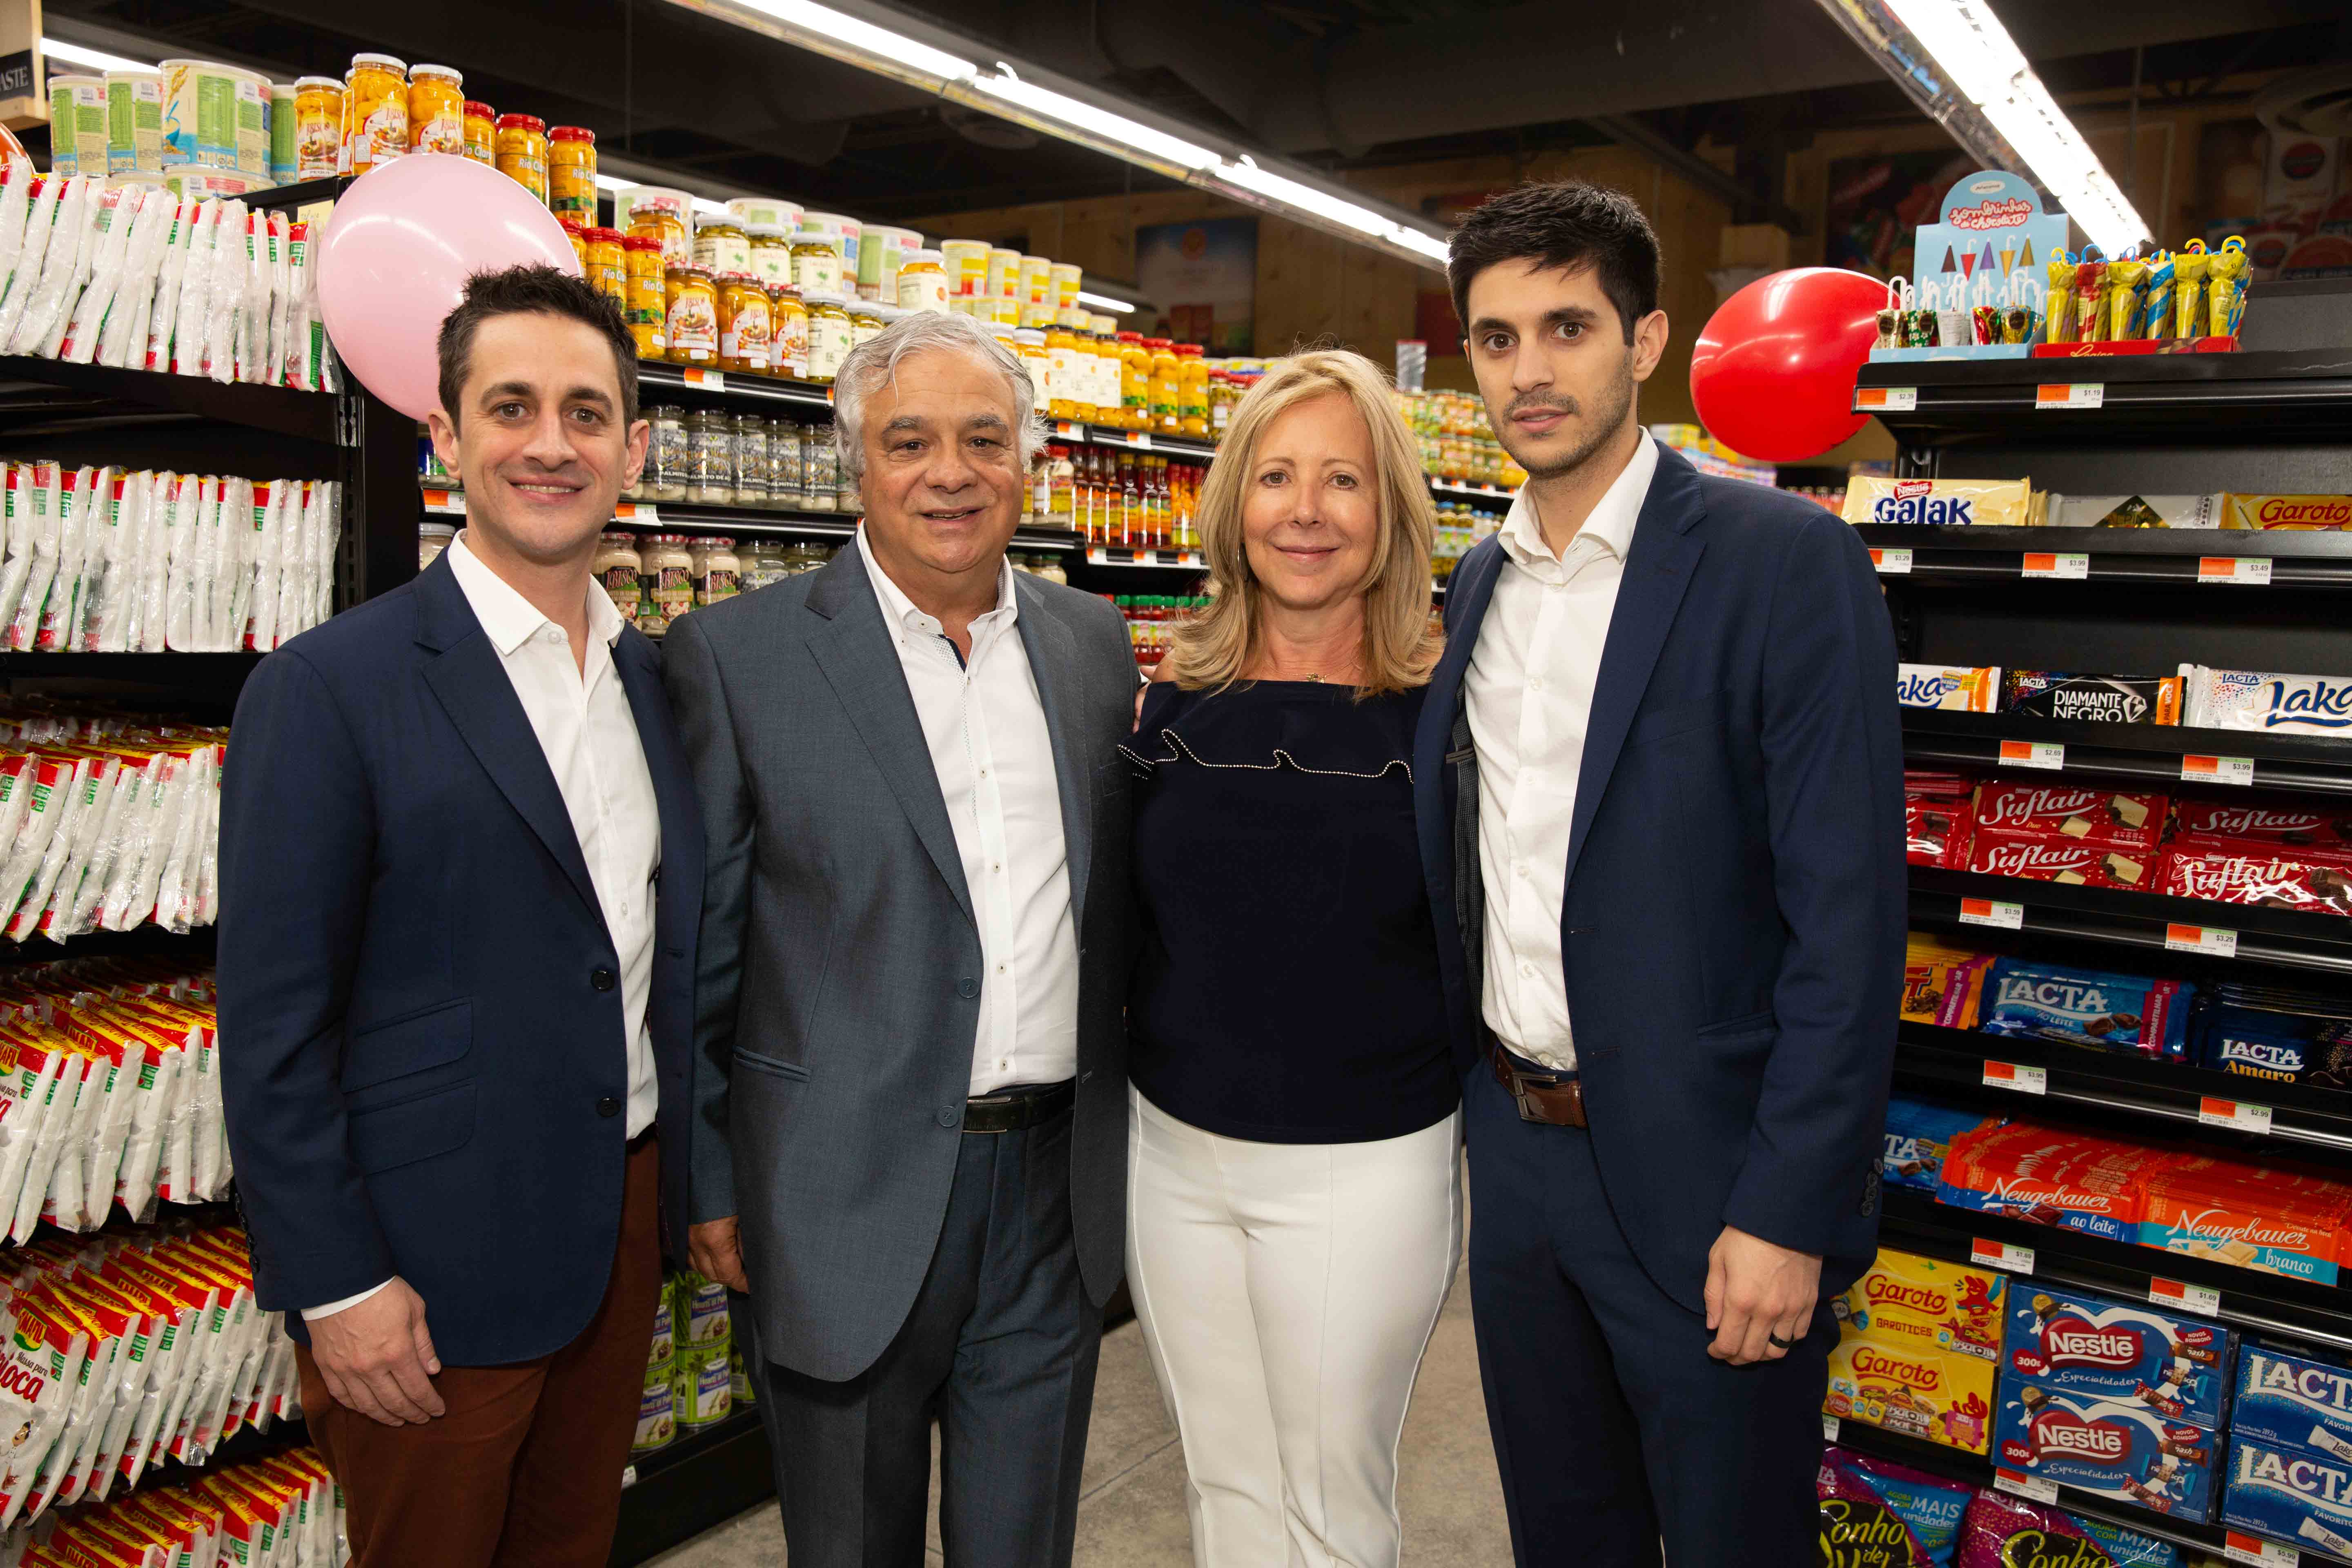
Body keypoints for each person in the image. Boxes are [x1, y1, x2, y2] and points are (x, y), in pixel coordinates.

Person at [1411, 180, 1904, 1566]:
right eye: (1497, 339)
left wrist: (1788, 1212)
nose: (1529, 371)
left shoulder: (1783, 562)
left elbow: (1848, 925)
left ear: (1645, 344)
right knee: (1566, 1538)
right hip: (1516, 1164)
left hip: (1712, 1185)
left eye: (1567, 326)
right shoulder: (1478, 586)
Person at [218, 265, 704, 1566]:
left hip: (615, 1233)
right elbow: (271, 1027)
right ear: (445, 437)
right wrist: (337, 1282)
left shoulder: (654, 680)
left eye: (588, 413)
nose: (552, 444)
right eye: (511, 407)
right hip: (425, 1270)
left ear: (634, 447)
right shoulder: (331, 687)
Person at [665, 310, 1137, 1568]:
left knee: (1022, 1544)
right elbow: (704, 949)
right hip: (835, 1192)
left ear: (1029, 461)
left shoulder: (1093, 645)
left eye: (986, 439)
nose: (951, 472)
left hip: (1050, 1194)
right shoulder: (739, 656)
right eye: (909, 440)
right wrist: (710, 1179)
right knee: (848, 1545)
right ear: (856, 464)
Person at [1120, 350, 1458, 1568]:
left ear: (1391, 512)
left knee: (1330, 1497)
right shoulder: (1172, 706)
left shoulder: (1445, 716)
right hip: (1173, 1155)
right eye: (1275, 477)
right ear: (1232, 505)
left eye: (1343, 481)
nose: (1306, 512)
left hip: (1361, 1168)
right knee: (1226, 1487)